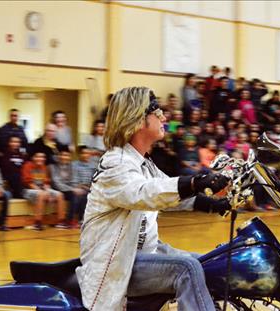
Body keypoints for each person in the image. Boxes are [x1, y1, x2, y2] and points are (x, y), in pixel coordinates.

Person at [76, 87, 230, 311]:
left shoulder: (142, 163)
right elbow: (148, 193)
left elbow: (171, 194)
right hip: (120, 262)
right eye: (157, 112)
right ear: (137, 120)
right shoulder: (115, 163)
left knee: (210, 262)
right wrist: (195, 182)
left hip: (146, 254)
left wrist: (215, 204)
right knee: (187, 268)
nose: (164, 117)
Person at [21, 150, 67, 230]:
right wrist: (44, 192)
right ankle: (37, 223)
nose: (41, 159)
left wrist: (48, 191)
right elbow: (29, 183)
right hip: (28, 190)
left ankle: (61, 222)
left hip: (42, 190)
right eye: (38, 157)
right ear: (33, 158)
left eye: (42, 157)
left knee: (60, 195)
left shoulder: (44, 167)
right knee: (42, 194)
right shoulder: (27, 166)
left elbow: (46, 183)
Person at [50, 148, 87, 227]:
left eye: (67, 155)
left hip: (69, 189)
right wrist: (73, 189)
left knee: (84, 194)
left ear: (70, 157)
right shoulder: (53, 167)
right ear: (58, 156)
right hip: (57, 190)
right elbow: (56, 183)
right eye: (62, 155)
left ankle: (81, 219)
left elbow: (73, 180)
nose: (64, 157)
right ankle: (69, 220)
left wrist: (77, 188)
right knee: (74, 194)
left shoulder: (72, 167)